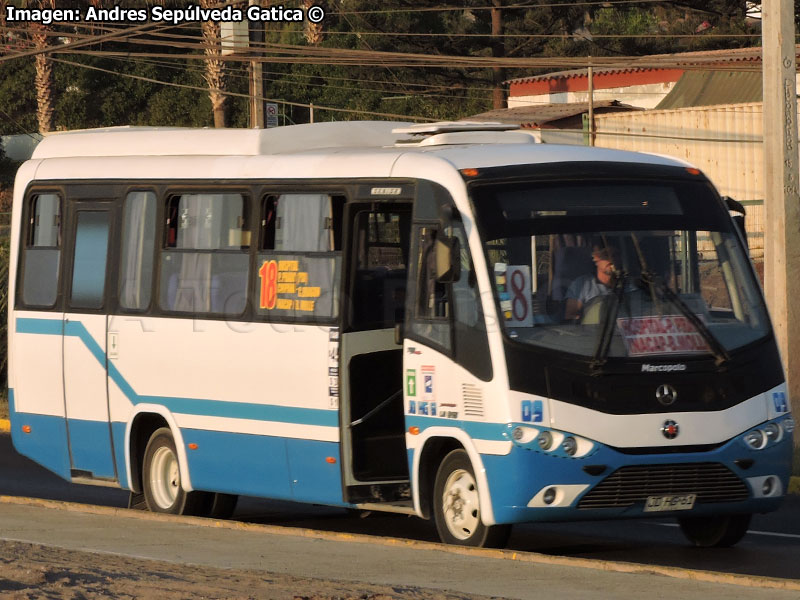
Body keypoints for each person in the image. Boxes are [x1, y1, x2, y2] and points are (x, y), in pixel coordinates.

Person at [564, 244, 619, 321]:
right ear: (595, 259)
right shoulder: (582, 284)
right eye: (606, 255)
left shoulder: (628, 284)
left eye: (614, 255)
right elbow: (570, 316)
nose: (611, 259)